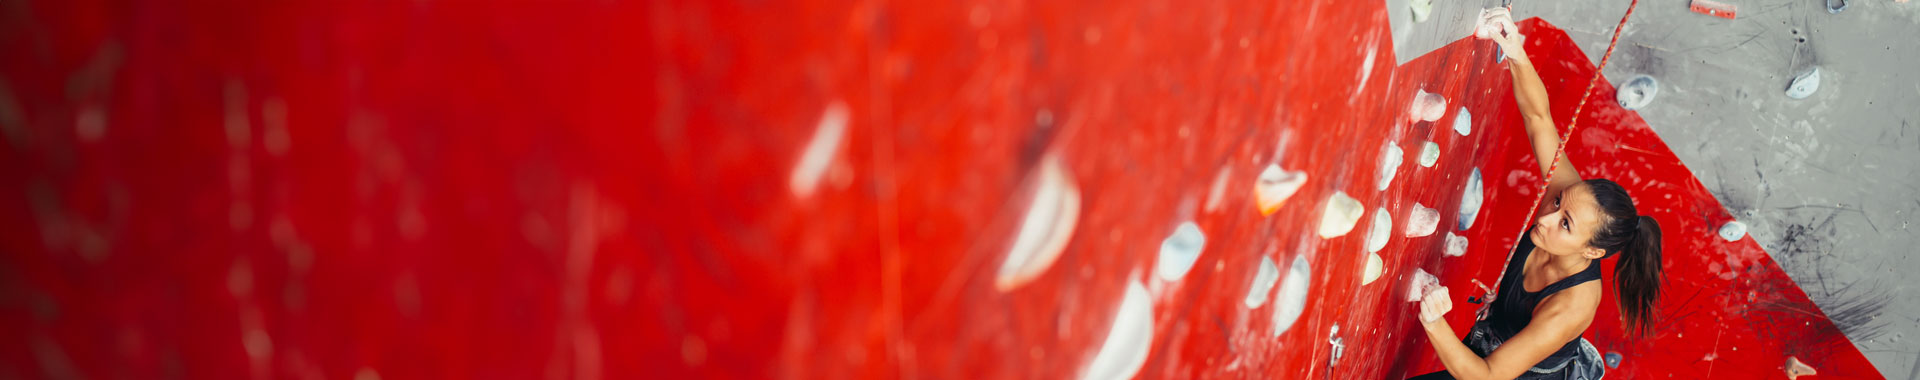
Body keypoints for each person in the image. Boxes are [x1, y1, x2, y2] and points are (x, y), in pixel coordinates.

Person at [1407, 9, 1665, 380]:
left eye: (1564, 223)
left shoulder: (1571, 305)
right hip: (1491, 348)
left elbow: (1487, 377)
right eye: (1558, 203)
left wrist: (1434, 322)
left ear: (1592, 251)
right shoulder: (1569, 202)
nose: (1545, 217)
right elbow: (1539, 119)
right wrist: (1515, 51)